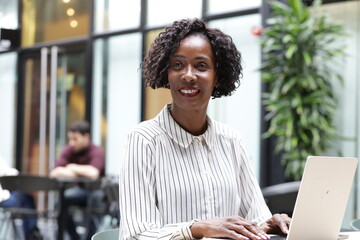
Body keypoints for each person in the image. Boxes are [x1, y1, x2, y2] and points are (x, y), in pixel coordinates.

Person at [119, 18, 291, 240]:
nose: (188, 75)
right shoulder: (143, 140)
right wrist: (197, 229)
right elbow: (136, 235)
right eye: (177, 65)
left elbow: (256, 217)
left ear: (217, 78)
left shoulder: (232, 140)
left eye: (201, 66)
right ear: (166, 74)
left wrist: (271, 223)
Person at [50, 120, 105, 240]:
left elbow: (93, 173)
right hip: (80, 191)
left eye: (75, 139)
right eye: (70, 139)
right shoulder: (69, 150)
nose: (71, 143)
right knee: (61, 200)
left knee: (96, 198)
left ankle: (91, 238)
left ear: (86, 137)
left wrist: (72, 167)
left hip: (97, 192)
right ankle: (74, 238)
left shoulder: (97, 151)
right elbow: (55, 172)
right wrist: (80, 172)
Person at [0, 155, 41, 240]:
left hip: (9, 195)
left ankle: (32, 232)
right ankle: (32, 233)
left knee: (28, 198)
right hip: (4, 199)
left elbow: (8, 172)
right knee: (23, 196)